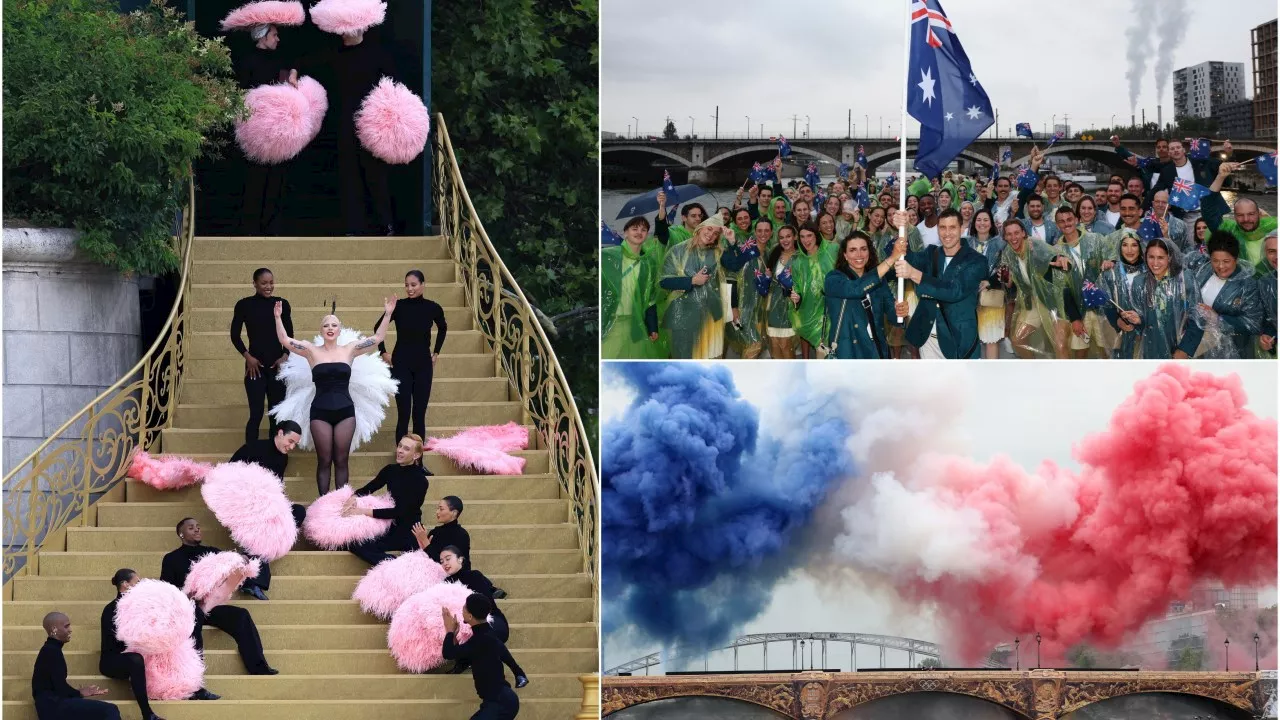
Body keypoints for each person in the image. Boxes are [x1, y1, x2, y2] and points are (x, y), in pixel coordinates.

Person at [275, 297, 395, 494]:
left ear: (339, 330)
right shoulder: (310, 351)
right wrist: (278, 318)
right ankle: (324, 504)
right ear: (321, 330)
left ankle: (339, 504)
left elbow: (378, 338)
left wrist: (388, 314)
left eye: (334, 325)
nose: (330, 328)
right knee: (324, 460)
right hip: (319, 411)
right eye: (326, 325)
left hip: (345, 411)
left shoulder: (350, 349)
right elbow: (285, 340)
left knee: (341, 459)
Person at [308, 17, 398, 235]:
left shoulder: (377, 55)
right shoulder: (334, 55)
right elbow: (309, 64)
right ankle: (353, 227)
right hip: (345, 125)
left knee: (376, 175)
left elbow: (392, 87)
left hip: (372, 125)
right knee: (349, 177)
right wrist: (292, 71)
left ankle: (385, 224)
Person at [161, 518, 278, 676]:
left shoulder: (212, 553)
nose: (197, 530)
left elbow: (232, 561)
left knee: (241, 616)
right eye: (191, 528)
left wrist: (241, 560)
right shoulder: (171, 559)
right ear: (181, 534)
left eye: (198, 526)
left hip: (211, 606)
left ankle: (258, 667)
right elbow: (167, 589)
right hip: (187, 609)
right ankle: (194, 675)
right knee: (195, 616)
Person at [226, 8, 303, 236]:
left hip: (278, 133)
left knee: (277, 180)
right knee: (255, 179)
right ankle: (250, 229)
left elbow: (292, 74)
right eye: (274, 35)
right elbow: (240, 97)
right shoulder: (247, 62)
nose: (278, 39)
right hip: (256, 133)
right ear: (262, 36)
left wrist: (294, 74)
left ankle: (272, 228)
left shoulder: (281, 59)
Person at [892, 207, 988, 359]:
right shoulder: (931, 253)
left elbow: (954, 291)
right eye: (942, 227)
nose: (947, 233)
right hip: (928, 340)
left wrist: (914, 274)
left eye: (952, 227)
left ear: (962, 228)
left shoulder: (976, 261)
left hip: (958, 341)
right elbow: (906, 257)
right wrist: (901, 229)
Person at [229, 419, 308, 599]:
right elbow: (228, 473)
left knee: (298, 512)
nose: (292, 447)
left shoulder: (283, 458)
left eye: (295, 444)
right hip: (244, 505)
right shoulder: (253, 448)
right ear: (280, 433)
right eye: (290, 441)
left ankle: (260, 560)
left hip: (269, 507)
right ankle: (253, 581)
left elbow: (277, 486)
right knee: (260, 530)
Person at [657, 216, 747, 359]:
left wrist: (732, 242)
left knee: (710, 358)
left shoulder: (718, 252)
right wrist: (691, 280)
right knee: (684, 358)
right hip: (682, 316)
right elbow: (664, 281)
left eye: (716, 233)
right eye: (709, 229)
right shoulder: (677, 251)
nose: (711, 234)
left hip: (710, 315)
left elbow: (734, 266)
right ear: (699, 229)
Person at [374, 271, 447, 442]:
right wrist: (383, 352)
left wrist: (436, 353)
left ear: (423, 284)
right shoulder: (399, 306)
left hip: (423, 365)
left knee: (419, 413)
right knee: (404, 413)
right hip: (401, 364)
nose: (409, 289)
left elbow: (443, 328)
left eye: (413, 285)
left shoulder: (433, 307)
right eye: (406, 285)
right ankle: (401, 457)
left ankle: (417, 460)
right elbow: (378, 328)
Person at [440, 547, 527, 685]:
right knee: (477, 635)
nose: (444, 563)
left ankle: (515, 674)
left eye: (448, 558)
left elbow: (484, 606)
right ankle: (517, 673)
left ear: (460, 559)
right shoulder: (444, 584)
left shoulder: (474, 576)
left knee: (486, 633)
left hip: (490, 619)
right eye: (441, 561)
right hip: (468, 623)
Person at [345, 434, 431, 566]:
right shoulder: (390, 470)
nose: (400, 450)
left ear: (416, 455)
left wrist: (362, 511)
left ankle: (395, 565)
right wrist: (354, 496)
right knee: (353, 542)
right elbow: (370, 487)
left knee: (414, 559)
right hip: (389, 525)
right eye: (400, 446)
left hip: (408, 529)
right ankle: (391, 562)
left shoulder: (420, 480)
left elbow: (400, 512)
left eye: (406, 449)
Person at [990, 220, 1070, 359]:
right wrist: (1008, 281)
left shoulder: (1034, 245)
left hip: (1053, 301)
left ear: (1023, 233)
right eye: (1009, 234)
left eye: (1016, 233)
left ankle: (1065, 377)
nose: (1013, 237)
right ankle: (1033, 371)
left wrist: (1061, 259)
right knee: (1017, 340)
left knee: (1060, 344)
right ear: (1005, 237)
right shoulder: (1007, 254)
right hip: (1032, 301)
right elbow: (1010, 284)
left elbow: (1053, 254)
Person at [232, 269, 292, 444]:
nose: (269, 287)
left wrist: (285, 355)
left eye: (271, 282)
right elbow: (235, 335)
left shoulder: (282, 304)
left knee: (276, 414)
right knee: (256, 413)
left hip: (277, 368)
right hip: (255, 368)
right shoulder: (244, 305)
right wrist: (247, 356)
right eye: (264, 283)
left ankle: (277, 454)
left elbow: (289, 335)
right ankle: (250, 455)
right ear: (255, 283)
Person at [100, 570, 170, 719]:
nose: (141, 585)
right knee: (135, 659)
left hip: (133, 656)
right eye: (137, 582)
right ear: (125, 585)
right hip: (112, 660)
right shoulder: (111, 609)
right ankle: (147, 714)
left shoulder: (140, 606)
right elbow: (120, 641)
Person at [442, 594, 523, 720]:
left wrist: (449, 631)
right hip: (500, 701)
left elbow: (448, 653)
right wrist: (453, 636)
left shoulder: (481, 639)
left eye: (465, 607)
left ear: (470, 616)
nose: (462, 609)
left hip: (500, 703)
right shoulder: (485, 635)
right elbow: (461, 656)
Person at [821, 232, 900, 359]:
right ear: (845, 255)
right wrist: (891, 259)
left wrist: (900, 311)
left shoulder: (879, 279)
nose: (859, 255)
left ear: (869, 252)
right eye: (853, 250)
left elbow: (893, 315)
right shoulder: (833, 279)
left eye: (863, 249)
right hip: (850, 352)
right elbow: (856, 289)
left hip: (877, 350)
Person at [1123, 239, 1203, 359]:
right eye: (1151, 257)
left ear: (1170, 257)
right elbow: (1142, 325)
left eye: (1160, 257)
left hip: (1180, 349)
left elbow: (1198, 317)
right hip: (1151, 349)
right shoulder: (1139, 282)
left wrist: (1185, 349)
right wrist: (1138, 321)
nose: (1155, 263)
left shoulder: (1185, 279)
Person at [1188, 231, 1263, 358]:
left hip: (1231, 352)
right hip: (1198, 346)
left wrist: (1218, 319)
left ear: (1236, 258)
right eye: (1215, 261)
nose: (1220, 266)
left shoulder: (1247, 285)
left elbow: (1254, 323)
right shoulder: (1205, 270)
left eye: (1226, 261)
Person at [32, 612, 116, 719]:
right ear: (54, 629)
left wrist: (78, 694)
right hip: (53, 707)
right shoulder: (51, 652)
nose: (70, 629)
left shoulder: (50, 649)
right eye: (66, 626)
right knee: (110, 709)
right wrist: (79, 693)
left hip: (51, 705)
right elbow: (60, 688)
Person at [602, 216, 664, 359]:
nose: (639, 232)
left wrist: (652, 327)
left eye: (644, 230)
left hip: (635, 325)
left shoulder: (649, 263)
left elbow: (651, 298)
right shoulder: (608, 256)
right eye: (634, 229)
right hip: (611, 321)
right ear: (625, 233)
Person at [1054, 206, 1111, 359]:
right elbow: (1063, 289)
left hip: (1102, 306)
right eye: (1061, 221)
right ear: (1057, 225)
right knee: (1080, 352)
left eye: (1069, 219)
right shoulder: (1056, 252)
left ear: (1077, 219)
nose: (1066, 224)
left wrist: (1110, 262)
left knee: (1107, 350)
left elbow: (1111, 263)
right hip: (1079, 310)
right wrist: (1075, 318)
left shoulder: (1096, 239)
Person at [1204, 162, 1279, 267]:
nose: (1246, 219)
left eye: (1251, 214)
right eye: (1240, 215)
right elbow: (1209, 211)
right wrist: (1220, 177)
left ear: (1259, 214)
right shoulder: (1229, 231)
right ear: (1234, 216)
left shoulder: (1274, 226)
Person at [1099, 232, 1147, 359]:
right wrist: (1117, 321)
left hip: (1147, 334)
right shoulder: (1110, 274)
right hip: (1120, 334)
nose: (1129, 250)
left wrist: (1143, 322)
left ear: (1140, 247)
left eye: (1134, 245)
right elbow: (1106, 305)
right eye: (1125, 245)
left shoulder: (1150, 271)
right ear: (1119, 247)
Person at [967, 208, 1006, 359]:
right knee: (970, 338)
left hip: (992, 295)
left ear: (991, 223)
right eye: (978, 220)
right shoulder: (965, 242)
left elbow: (1005, 268)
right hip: (968, 296)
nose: (982, 223)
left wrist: (989, 281)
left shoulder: (1000, 243)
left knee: (991, 338)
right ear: (973, 222)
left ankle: (991, 375)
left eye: (985, 220)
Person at [762, 225, 800, 359]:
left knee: (786, 344)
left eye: (788, 236)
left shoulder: (800, 256)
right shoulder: (775, 254)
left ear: (795, 237)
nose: (785, 240)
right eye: (782, 237)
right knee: (774, 344)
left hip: (789, 306)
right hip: (772, 306)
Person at [413, 496, 473, 570]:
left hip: (454, 579)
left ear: (454, 513)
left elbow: (446, 564)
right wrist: (421, 542)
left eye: (441, 509)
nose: (437, 512)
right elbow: (427, 558)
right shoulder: (435, 532)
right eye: (437, 509)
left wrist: (425, 543)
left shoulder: (461, 535)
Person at [1256, 231, 1278, 358]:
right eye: (1271, 251)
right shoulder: (1265, 283)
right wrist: (1266, 335)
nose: (1277, 256)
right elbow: (1269, 319)